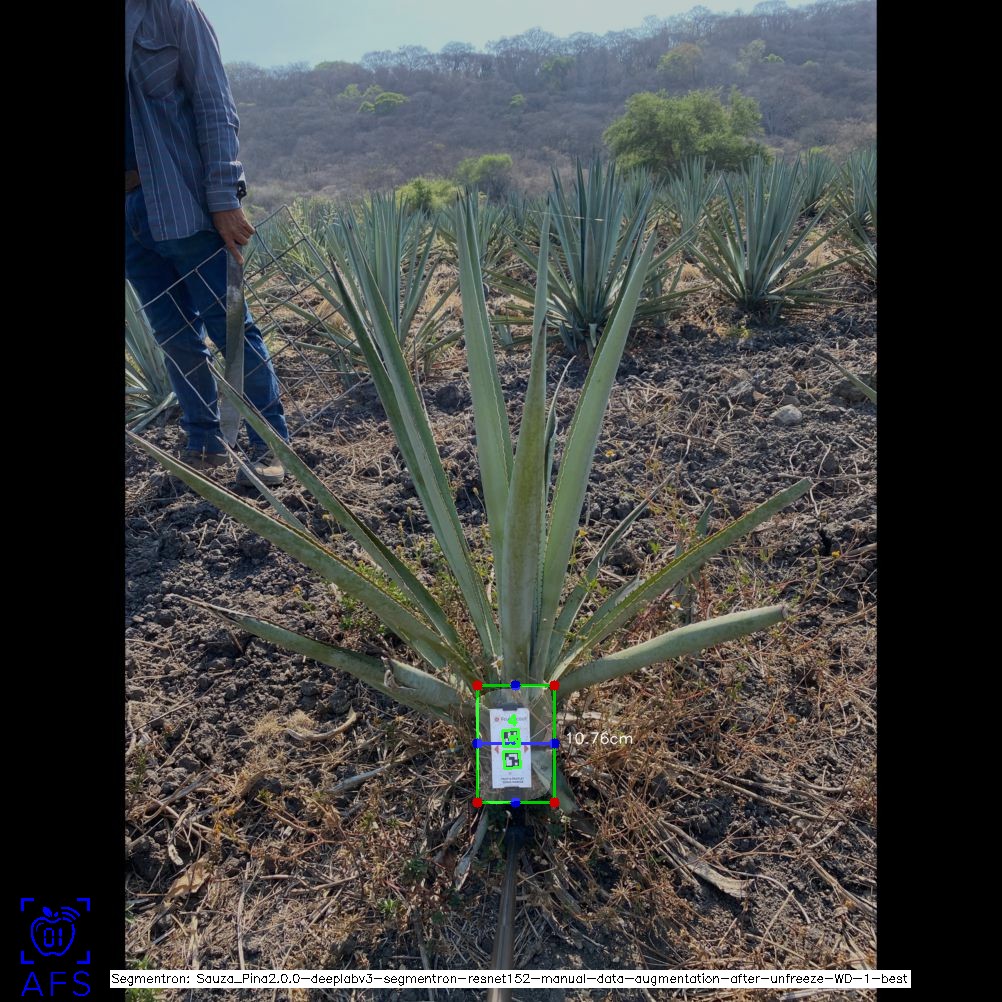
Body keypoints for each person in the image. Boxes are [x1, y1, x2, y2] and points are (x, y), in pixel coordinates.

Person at [125, 0, 288, 485]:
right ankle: (205, 444)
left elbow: (214, 104)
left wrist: (224, 198)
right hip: (127, 217)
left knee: (230, 326)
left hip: (180, 199)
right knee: (173, 336)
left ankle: (269, 447)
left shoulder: (172, 10)